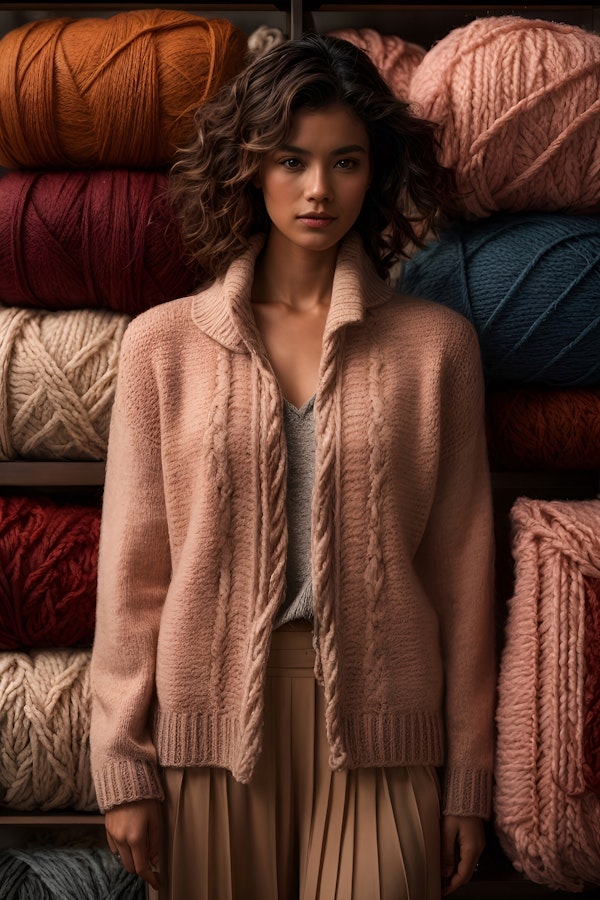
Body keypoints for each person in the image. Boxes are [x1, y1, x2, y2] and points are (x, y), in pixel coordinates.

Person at [90, 32, 496, 900]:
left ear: (375, 173)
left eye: (345, 162)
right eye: (291, 159)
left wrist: (469, 776)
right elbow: (132, 575)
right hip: (209, 732)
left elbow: (463, 577)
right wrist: (122, 761)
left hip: (390, 724)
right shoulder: (163, 345)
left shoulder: (437, 350)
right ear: (249, 165)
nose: (318, 189)